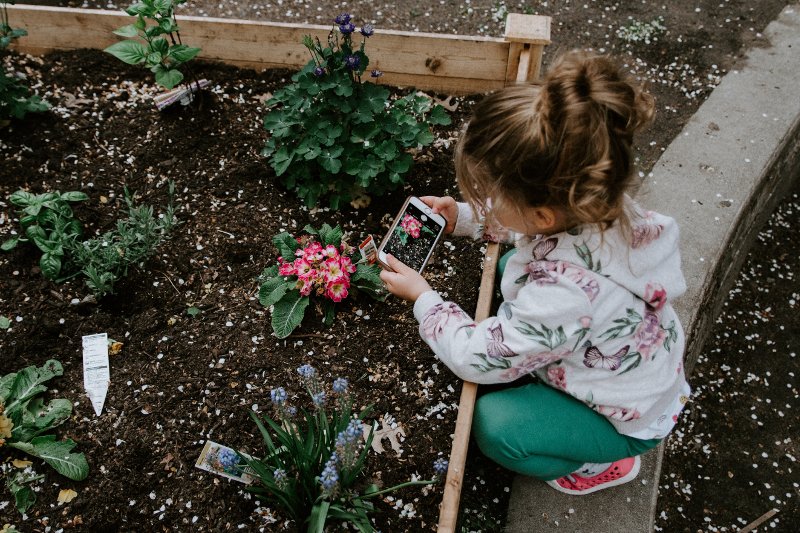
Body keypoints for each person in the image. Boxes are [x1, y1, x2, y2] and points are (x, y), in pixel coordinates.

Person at [379, 50, 690, 495]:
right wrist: (463, 218)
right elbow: (531, 227)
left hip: (621, 417)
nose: (484, 199)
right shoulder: (601, 205)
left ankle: (596, 464)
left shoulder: (563, 296)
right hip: (631, 367)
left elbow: (475, 359)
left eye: (489, 194)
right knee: (512, 265)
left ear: (543, 214)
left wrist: (424, 299)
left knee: (495, 426)